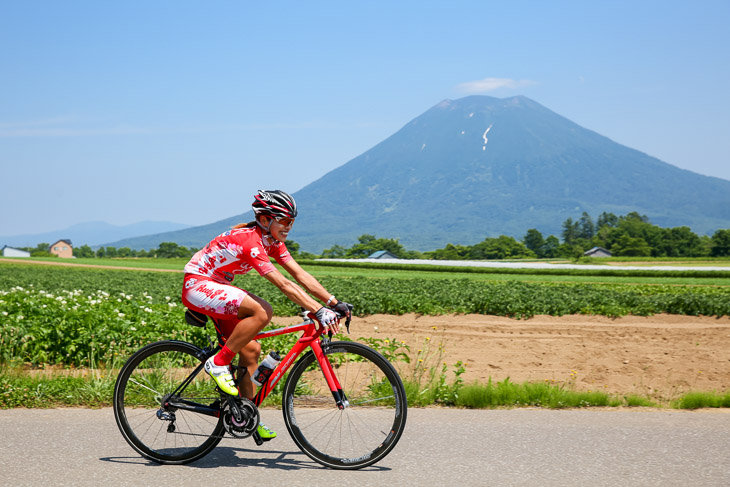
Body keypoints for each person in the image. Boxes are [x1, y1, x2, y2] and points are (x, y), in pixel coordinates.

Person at [181, 189, 351, 441]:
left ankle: (244, 415)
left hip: (219, 285)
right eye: (284, 221)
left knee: (250, 351)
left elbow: (300, 276)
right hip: (198, 284)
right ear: (264, 220)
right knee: (262, 310)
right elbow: (283, 284)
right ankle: (217, 363)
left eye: (291, 221)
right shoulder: (251, 242)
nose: (288, 227)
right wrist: (318, 310)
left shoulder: (272, 242)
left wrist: (334, 303)